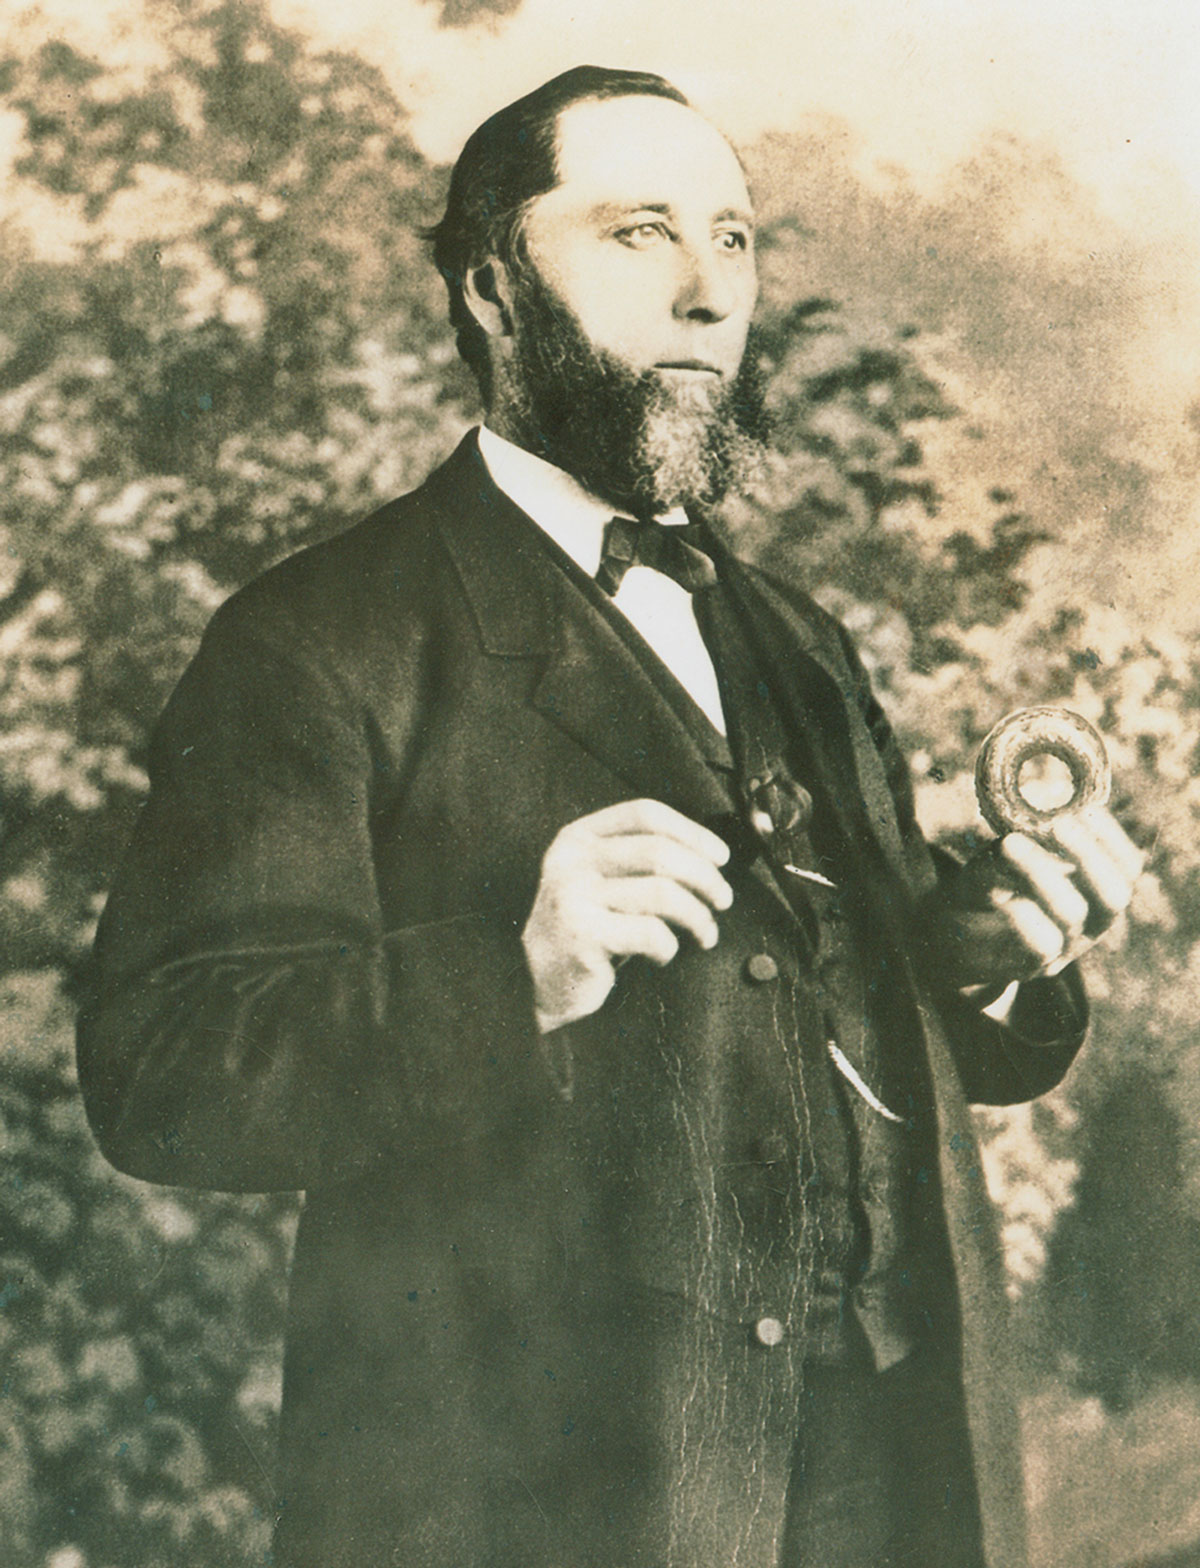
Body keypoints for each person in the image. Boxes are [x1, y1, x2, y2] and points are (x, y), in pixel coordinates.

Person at [77, 64, 1143, 1568]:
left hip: (893, 1478)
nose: (710, 295)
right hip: (547, 1498)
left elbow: (860, 1011)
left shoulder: (799, 637)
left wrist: (975, 950)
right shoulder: (314, 637)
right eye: (641, 236)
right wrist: (514, 978)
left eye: (736, 238)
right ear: (494, 292)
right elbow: (164, 1073)